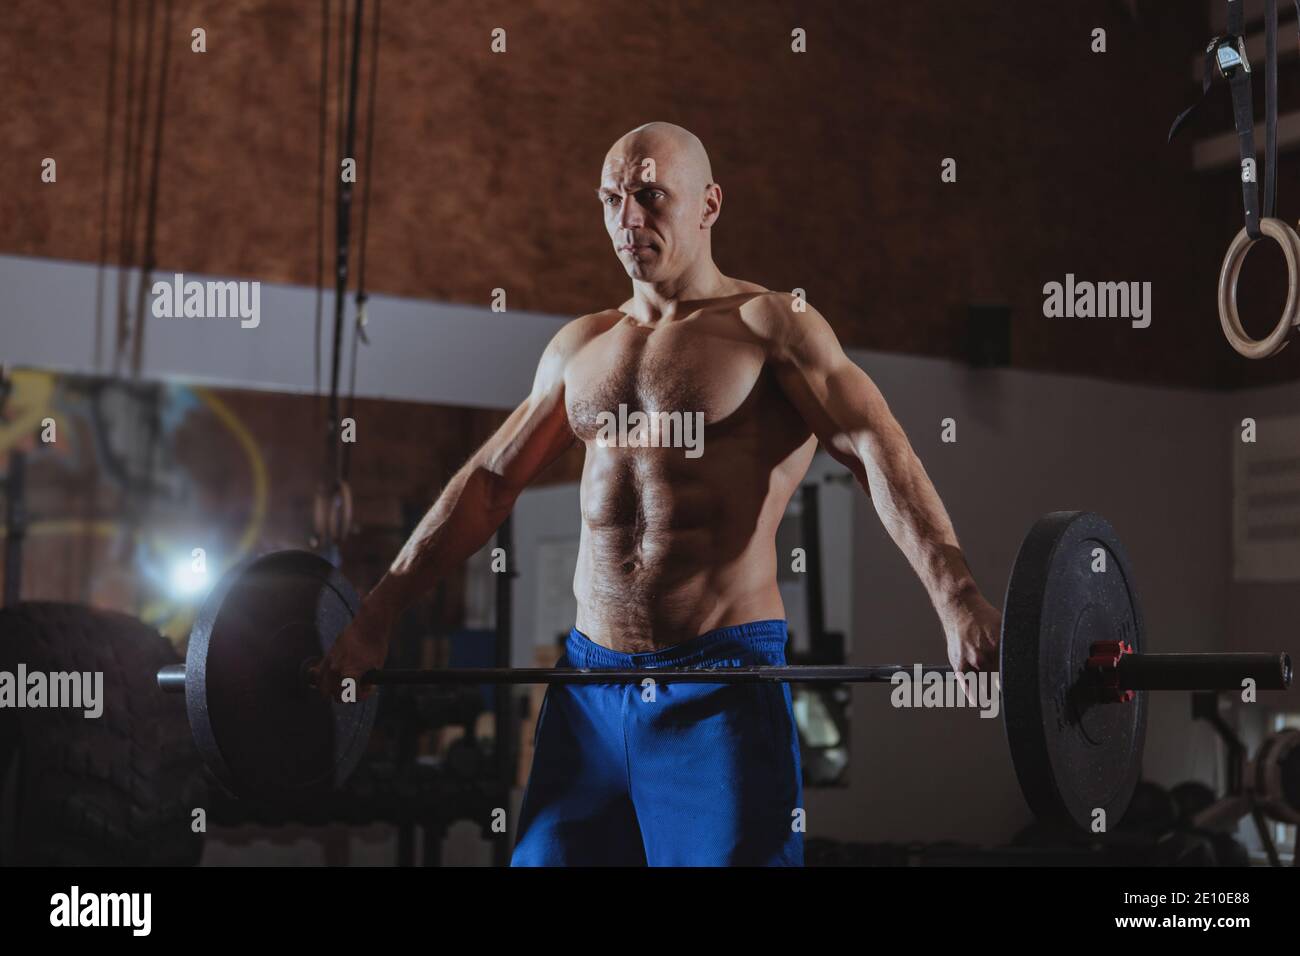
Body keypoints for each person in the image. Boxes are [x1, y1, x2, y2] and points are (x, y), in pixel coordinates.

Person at [317, 122, 1001, 865]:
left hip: (718, 688)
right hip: (588, 689)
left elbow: (875, 447)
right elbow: (488, 484)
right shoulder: (581, 346)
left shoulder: (770, 326)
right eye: (611, 199)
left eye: (649, 196)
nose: (627, 219)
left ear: (709, 205)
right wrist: (377, 613)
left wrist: (955, 594)